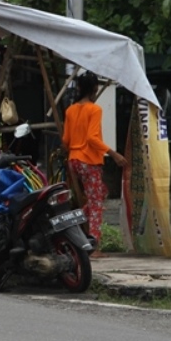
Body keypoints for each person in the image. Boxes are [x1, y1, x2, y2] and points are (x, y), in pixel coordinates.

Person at [62, 72, 127, 258]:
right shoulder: (94, 109)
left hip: (74, 159)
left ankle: (74, 224)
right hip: (89, 160)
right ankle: (93, 245)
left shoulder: (70, 110)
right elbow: (92, 138)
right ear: (94, 89)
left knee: (98, 196)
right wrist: (113, 154)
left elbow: (66, 140)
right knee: (97, 203)